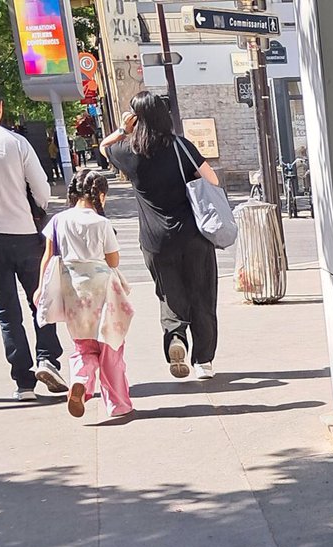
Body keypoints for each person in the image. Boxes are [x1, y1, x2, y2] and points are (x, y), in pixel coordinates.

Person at [100, 91, 221, 382]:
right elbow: (213, 180)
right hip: (194, 235)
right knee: (202, 295)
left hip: (155, 240)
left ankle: (176, 337)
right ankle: (203, 361)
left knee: (169, 295)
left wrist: (121, 130)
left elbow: (104, 147)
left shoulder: (128, 153)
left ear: (135, 119)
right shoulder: (182, 147)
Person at [0, 79, 67, 402]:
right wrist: (40, 210)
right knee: (40, 298)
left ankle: (23, 382)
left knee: (6, 312)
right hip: (25, 233)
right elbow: (41, 189)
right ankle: (48, 358)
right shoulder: (15, 142)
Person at [35, 168, 134, 421]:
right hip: (102, 290)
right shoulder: (102, 223)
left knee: (83, 346)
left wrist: (40, 288)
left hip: (73, 290)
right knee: (110, 347)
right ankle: (119, 404)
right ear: (100, 195)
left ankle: (80, 379)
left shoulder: (58, 220)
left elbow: (48, 256)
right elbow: (113, 259)